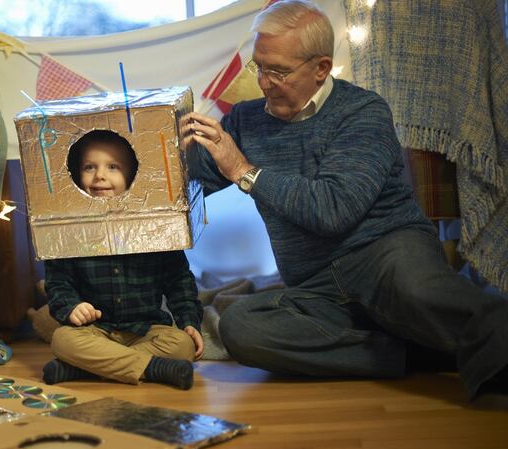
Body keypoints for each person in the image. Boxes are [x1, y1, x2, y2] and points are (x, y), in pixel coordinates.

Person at [183, 0, 507, 401]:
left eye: (278, 71)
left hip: (386, 253)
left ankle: (480, 342)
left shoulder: (364, 112)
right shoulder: (245, 121)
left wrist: (245, 172)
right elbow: (191, 176)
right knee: (241, 328)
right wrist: (168, 142)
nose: (264, 82)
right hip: (315, 284)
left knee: (429, 296)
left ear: (321, 69)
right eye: (259, 66)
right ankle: (420, 353)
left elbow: (333, 210)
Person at [41, 129, 204, 390]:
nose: (100, 176)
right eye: (89, 167)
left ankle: (87, 369)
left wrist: (188, 321)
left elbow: (179, 281)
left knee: (181, 345)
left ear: (132, 177)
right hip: (95, 330)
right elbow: (58, 284)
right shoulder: (68, 228)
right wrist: (72, 307)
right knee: (62, 339)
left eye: (113, 167)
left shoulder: (156, 225)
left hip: (146, 329)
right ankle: (153, 368)